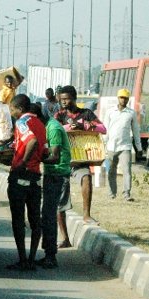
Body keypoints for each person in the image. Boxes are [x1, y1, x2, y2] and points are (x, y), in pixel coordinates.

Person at [54, 85, 107, 227]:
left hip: (81, 159)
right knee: (61, 201)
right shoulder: (59, 115)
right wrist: (67, 128)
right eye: (62, 99)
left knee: (86, 178)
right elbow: (53, 130)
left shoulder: (86, 113)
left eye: (67, 99)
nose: (64, 102)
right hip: (63, 160)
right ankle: (64, 238)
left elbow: (103, 129)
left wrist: (85, 126)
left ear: (74, 98)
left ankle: (86, 215)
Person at [6, 94, 47, 271]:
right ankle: (31, 258)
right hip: (35, 177)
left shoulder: (21, 122)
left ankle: (22, 259)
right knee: (34, 219)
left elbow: (31, 142)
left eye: (12, 109)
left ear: (20, 109)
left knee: (18, 219)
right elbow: (43, 150)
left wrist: (21, 162)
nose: (11, 112)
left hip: (21, 175)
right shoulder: (41, 124)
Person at [34, 102, 71, 269]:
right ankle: (48, 253)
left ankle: (51, 255)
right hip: (51, 174)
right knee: (46, 214)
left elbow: (54, 156)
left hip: (57, 175)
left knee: (49, 215)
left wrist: (35, 159)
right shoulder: (47, 126)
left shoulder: (53, 129)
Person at [104, 88, 142, 202]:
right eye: (121, 97)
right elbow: (105, 129)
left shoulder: (131, 113)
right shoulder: (110, 112)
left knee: (127, 171)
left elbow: (136, 131)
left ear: (128, 99)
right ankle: (112, 193)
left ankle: (127, 194)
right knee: (111, 170)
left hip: (125, 146)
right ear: (118, 98)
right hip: (111, 146)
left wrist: (139, 147)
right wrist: (103, 144)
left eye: (125, 98)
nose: (123, 100)